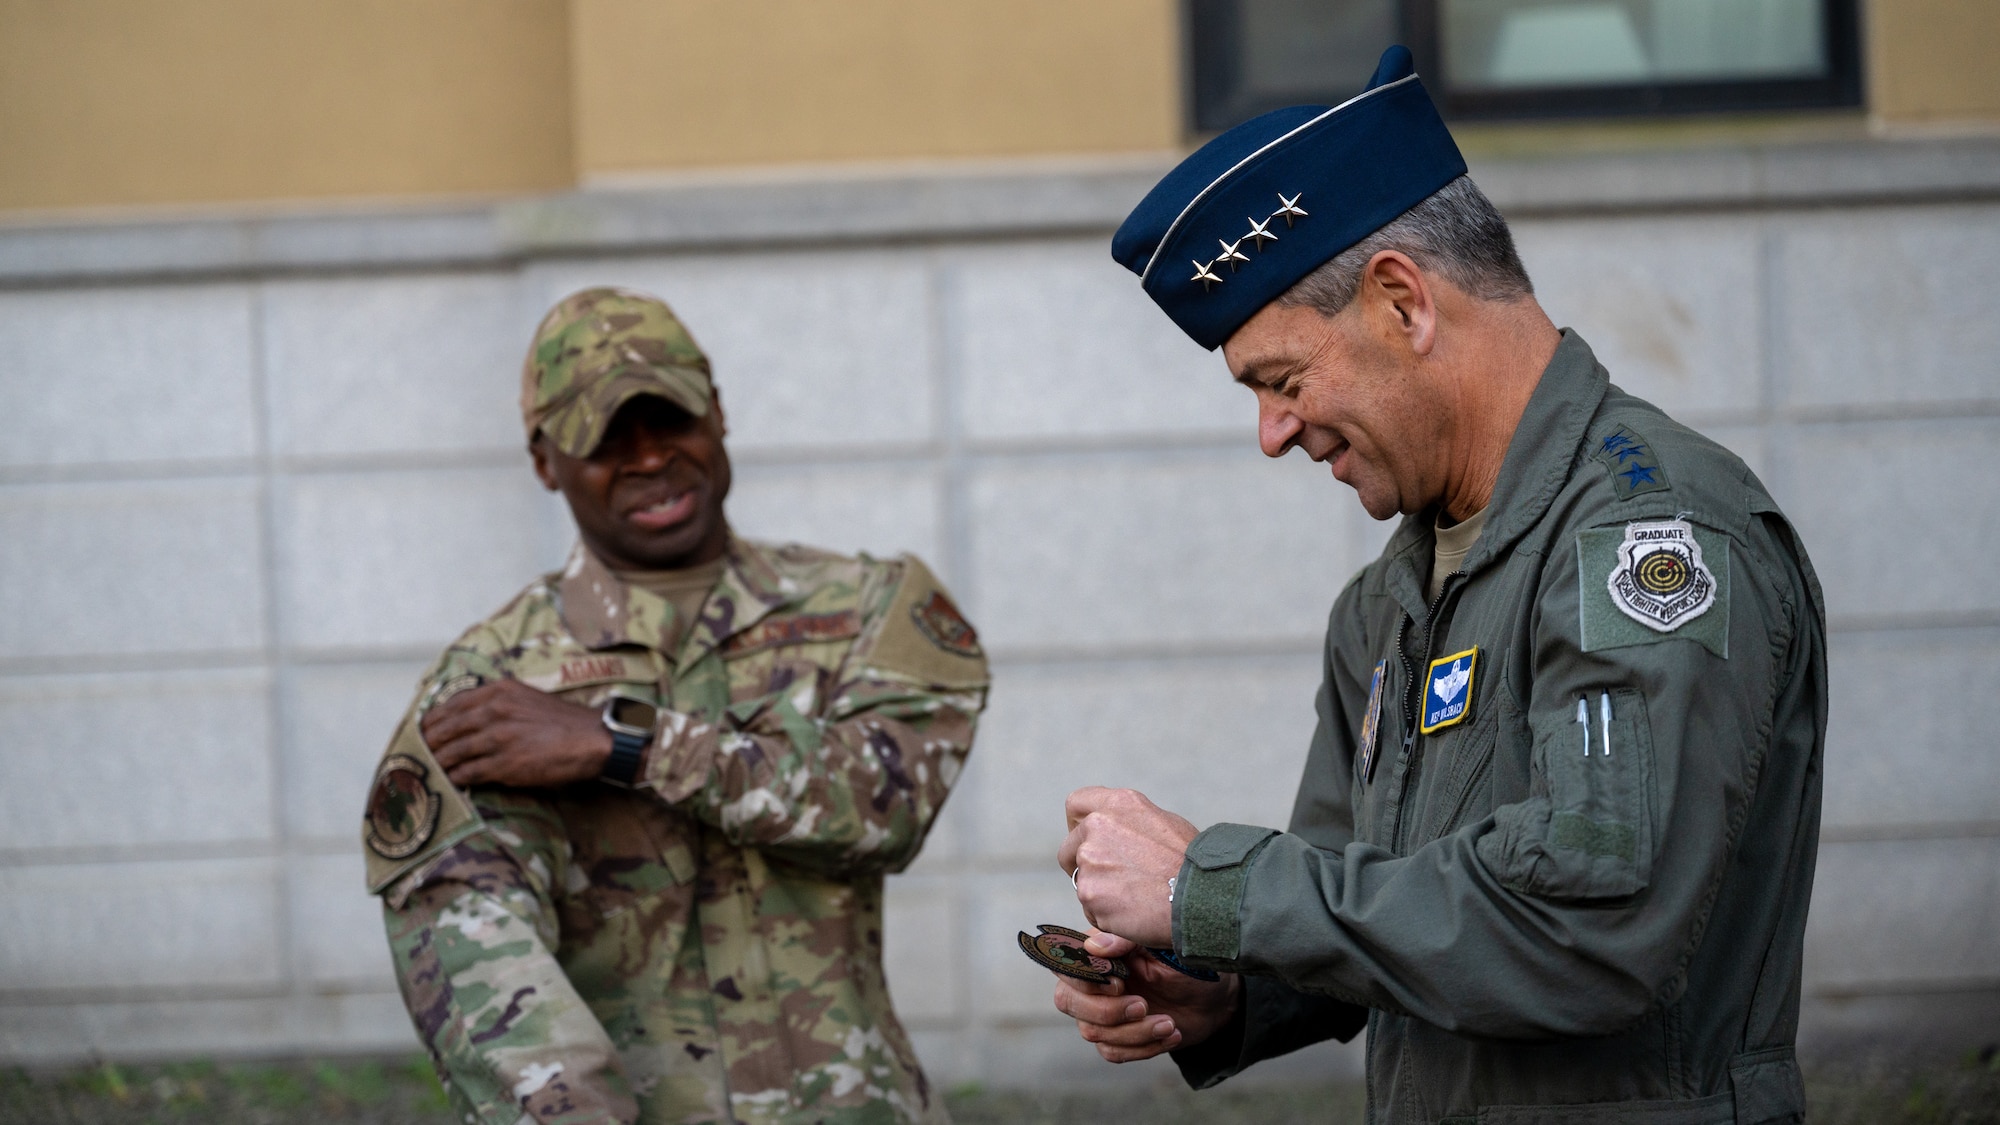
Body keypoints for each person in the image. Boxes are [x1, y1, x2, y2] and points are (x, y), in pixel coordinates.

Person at [1052, 47, 1826, 1124]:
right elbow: (1359, 898)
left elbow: (1589, 930)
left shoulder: (1647, 536)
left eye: (1282, 380)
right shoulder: (1383, 602)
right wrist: (1224, 989)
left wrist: (1213, 887)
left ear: (1400, 303)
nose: (1272, 434)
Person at [361, 288, 989, 1125]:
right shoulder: (497, 681)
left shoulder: (871, 608)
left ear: (719, 413)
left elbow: (886, 803)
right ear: (545, 461)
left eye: (672, 420)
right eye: (605, 440)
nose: (651, 457)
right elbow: (470, 938)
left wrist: (624, 747)